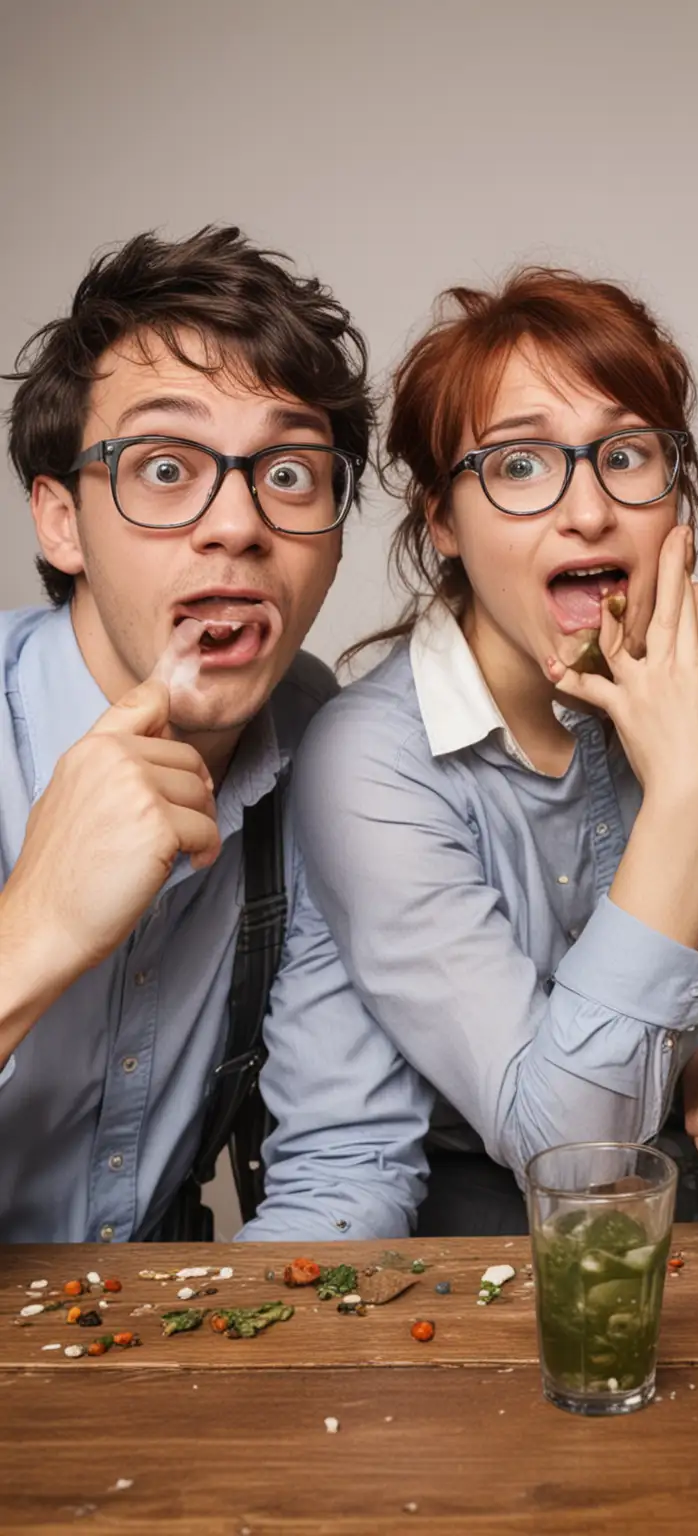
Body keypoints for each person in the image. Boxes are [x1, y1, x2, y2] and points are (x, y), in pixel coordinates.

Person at [245, 269, 698, 1241]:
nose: (590, 509)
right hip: (467, 1257)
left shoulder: (655, 695)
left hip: (664, 1243)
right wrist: (691, 800)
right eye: (521, 465)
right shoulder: (372, 757)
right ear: (441, 516)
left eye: (626, 454)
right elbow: (570, 1150)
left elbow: (644, 993)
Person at [0, 226, 371, 1242]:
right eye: (166, 467)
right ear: (61, 521)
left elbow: (344, 1162)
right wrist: (32, 930)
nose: (238, 523)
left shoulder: (322, 748)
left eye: (290, 474)